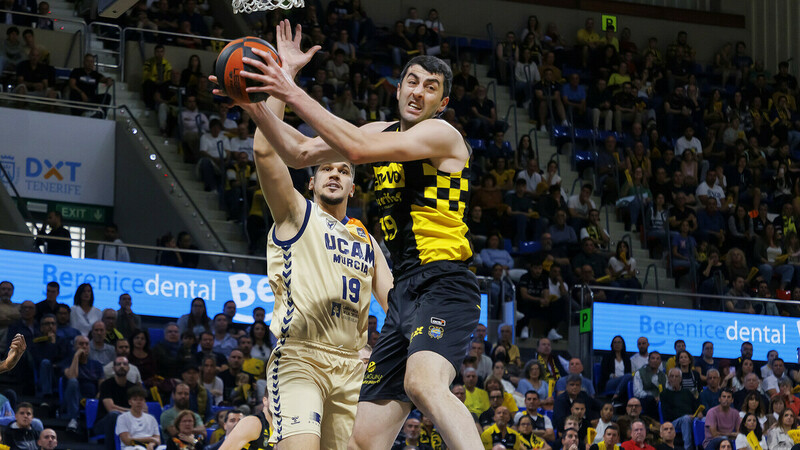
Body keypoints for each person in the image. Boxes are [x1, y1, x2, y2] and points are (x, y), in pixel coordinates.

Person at [233, 20, 482, 449]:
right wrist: (263, 92)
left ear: (441, 103)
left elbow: (356, 152)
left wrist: (291, 92)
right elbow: (297, 152)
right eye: (412, 82)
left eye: (431, 87)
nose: (418, 91)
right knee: (362, 439)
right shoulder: (376, 131)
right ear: (398, 88)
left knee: (423, 382)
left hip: (445, 281)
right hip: (406, 293)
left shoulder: (443, 134)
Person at [217, 22, 391, 450]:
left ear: (354, 187)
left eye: (344, 170)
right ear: (310, 183)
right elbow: (264, 151)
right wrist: (283, 77)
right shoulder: (296, 211)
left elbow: (396, 301)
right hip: (301, 357)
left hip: (354, 365)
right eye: (326, 168)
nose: (334, 172)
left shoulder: (367, 240)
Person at [95, 356, 135, 450]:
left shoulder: (133, 387)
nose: (122, 366)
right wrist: (131, 411)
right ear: (113, 368)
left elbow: (143, 409)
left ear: (128, 368)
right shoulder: (106, 385)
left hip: (128, 422)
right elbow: (111, 408)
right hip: (103, 423)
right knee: (114, 416)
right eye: (118, 364)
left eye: (125, 364)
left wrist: (131, 412)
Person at [660, 369, 697, 450]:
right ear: (668, 379)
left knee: (704, 419)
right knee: (686, 419)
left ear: (680, 379)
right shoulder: (664, 394)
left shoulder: (687, 392)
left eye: (677, 376)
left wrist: (699, 413)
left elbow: (695, 405)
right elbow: (667, 414)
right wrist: (686, 415)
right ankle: (688, 448)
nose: (674, 379)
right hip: (673, 422)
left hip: (690, 418)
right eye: (672, 376)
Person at [115, 386, 160, 450]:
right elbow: (127, 441)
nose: (138, 402)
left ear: (144, 401)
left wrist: (151, 444)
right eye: (135, 399)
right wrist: (149, 439)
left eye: (141, 399)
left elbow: (157, 440)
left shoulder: (151, 418)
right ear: (130, 402)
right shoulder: (122, 418)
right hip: (131, 447)